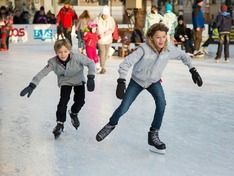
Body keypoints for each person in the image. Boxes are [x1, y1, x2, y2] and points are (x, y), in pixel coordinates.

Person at [96, 23, 203, 154]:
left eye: (164, 37)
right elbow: (126, 63)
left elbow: (183, 56)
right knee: (124, 107)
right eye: (158, 37)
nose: (161, 40)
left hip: (154, 81)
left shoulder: (168, 49)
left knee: (161, 104)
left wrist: (193, 70)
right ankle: (111, 124)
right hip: (137, 81)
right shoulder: (144, 49)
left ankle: (153, 135)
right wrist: (121, 80)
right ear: (151, 38)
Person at [20, 39, 96, 139]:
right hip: (65, 82)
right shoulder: (53, 62)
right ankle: (60, 123)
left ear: (69, 51)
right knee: (63, 102)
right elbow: (42, 73)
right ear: (56, 53)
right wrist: (32, 85)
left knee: (80, 101)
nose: (63, 54)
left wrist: (91, 77)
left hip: (78, 80)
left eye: (65, 51)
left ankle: (73, 113)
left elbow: (91, 63)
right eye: (60, 52)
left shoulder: (77, 57)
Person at [95, 5, 115, 74]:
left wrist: (107, 32)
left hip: (108, 39)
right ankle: (102, 67)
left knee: (106, 54)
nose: (105, 16)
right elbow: (93, 27)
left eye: (106, 15)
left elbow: (112, 28)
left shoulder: (111, 19)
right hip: (100, 40)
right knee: (102, 53)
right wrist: (97, 32)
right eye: (104, 15)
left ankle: (103, 65)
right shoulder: (97, 19)